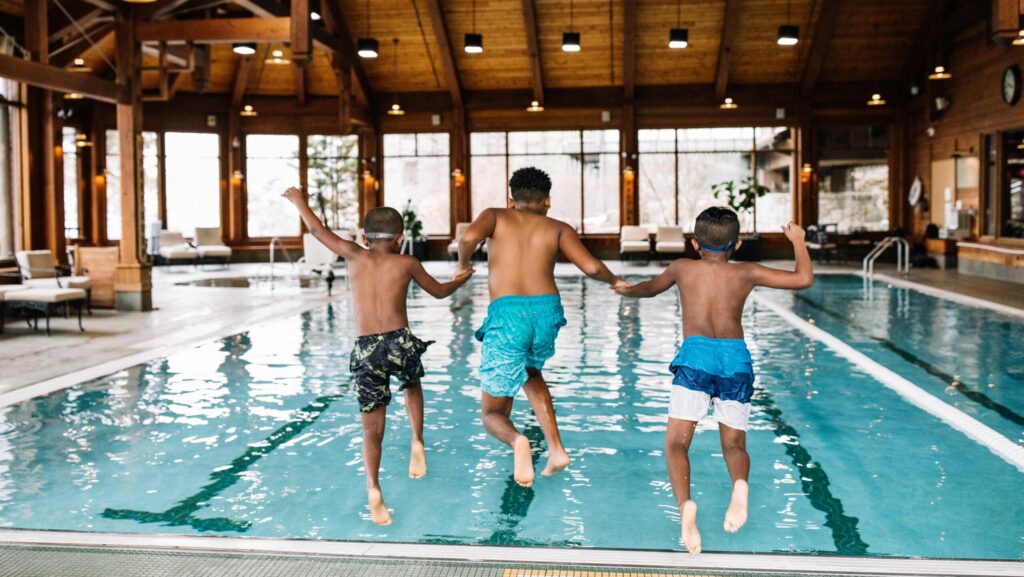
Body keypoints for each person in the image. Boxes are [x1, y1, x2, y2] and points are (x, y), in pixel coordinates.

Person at [615, 207, 813, 555]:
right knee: (734, 445)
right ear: (736, 246)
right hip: (735, 358)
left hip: (696, 356)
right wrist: (797, 240)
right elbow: (802, 279)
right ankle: (739, 484)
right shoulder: (747, 271)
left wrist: (624, 289)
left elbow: (648, 289)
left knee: (677, 444)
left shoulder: (681, 267)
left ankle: (685, 507)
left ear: (694, 243)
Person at [282, 187, 473, 526]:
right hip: (399, 341)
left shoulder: (354, 255)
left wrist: (299, 201)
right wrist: (458, 280)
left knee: (372, 428)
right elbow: (440, 293)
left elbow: (315, 230)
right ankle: (417, 439)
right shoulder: (408, 261)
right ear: (400, 238)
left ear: (364, 237)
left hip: (367, 348)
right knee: (412, 383)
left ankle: (373, 487)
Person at [456, 167, 628, 488]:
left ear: (511, 201)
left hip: (508, 314)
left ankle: (518, 442)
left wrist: (464, 264)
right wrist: (615, 280)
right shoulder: (559, 228)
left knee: (492, 414)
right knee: (531, 371)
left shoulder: (495, 216)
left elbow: (466, 237)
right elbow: (591, 267)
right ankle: (556, 449)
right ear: (548, 201)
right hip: (547, 311)